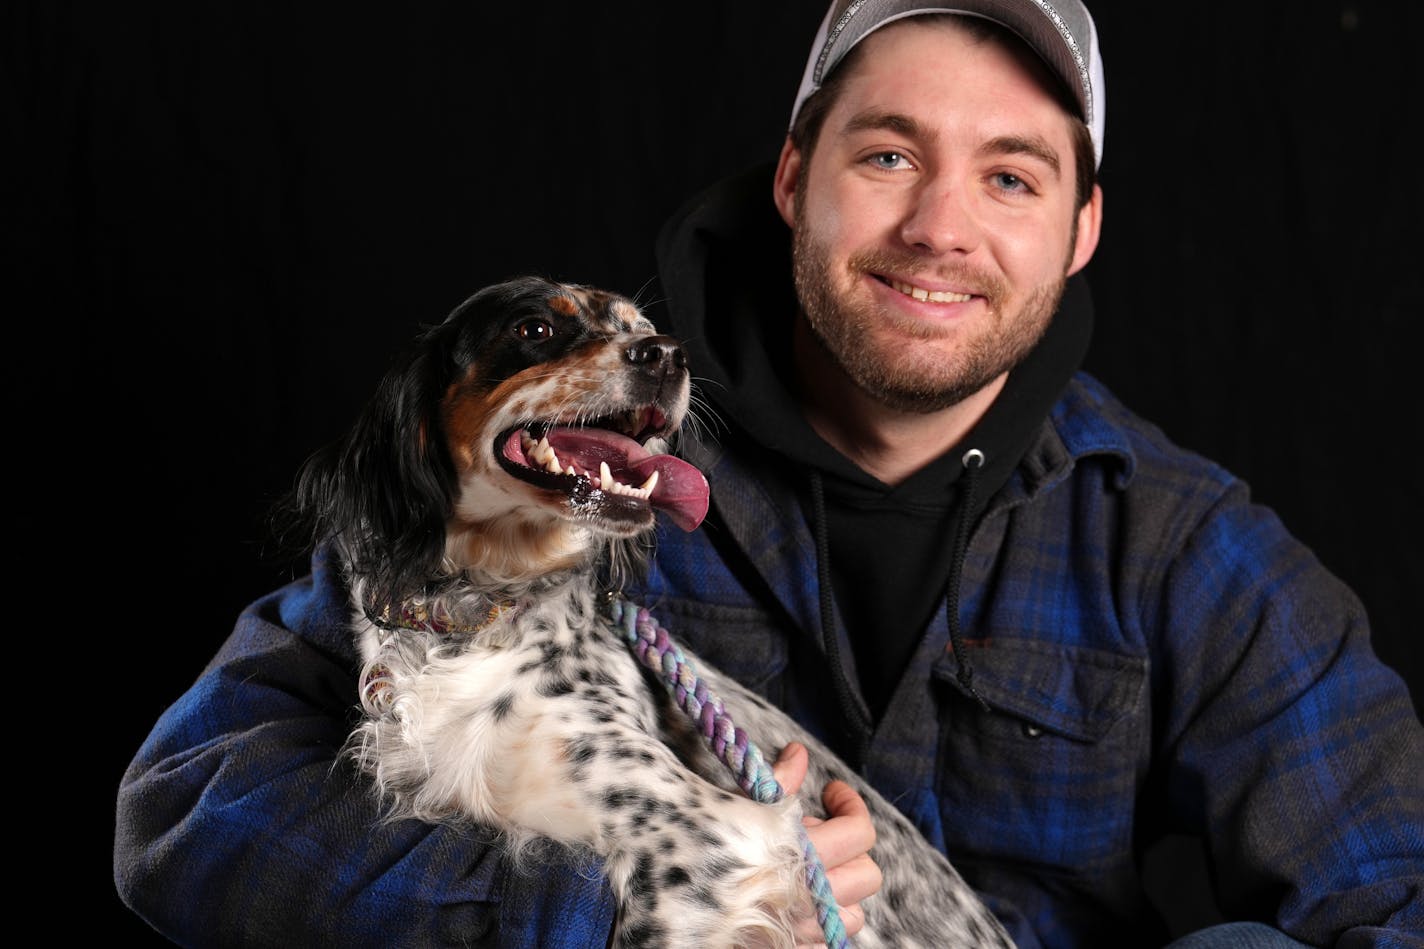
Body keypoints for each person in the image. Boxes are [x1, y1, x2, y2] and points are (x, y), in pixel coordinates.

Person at [114, 1, 1424, 946]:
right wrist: (609, 908)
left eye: (1011, 176)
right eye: (889, 153)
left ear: (1081, 229)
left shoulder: (1180, 550)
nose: (939, 228)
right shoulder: (538, 448)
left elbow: (1399, 895)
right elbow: (190, 810)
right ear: (796, 175)